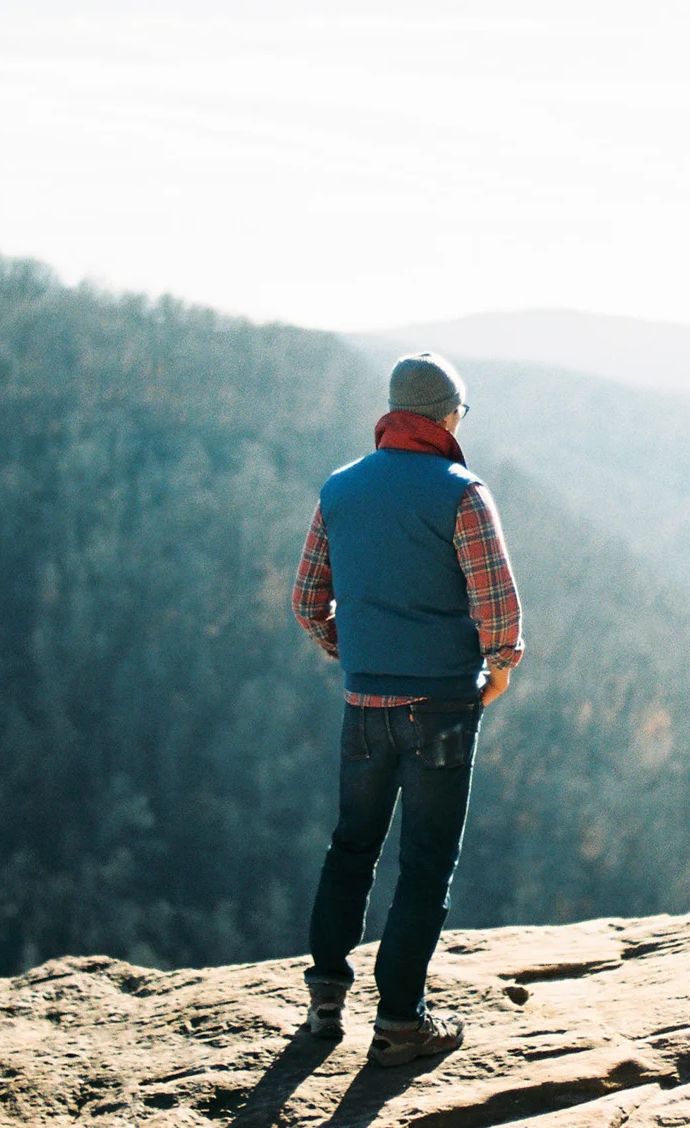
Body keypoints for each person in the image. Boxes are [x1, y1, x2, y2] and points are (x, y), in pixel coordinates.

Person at [290, 352, 525, 1067]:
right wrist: (499, 670)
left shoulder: (340, 488)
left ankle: (325, 999)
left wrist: (348, 649)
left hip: (365, 704)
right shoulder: (462, 493)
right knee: (425, 863)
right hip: (444, 707)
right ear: (448, 415)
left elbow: (307, 600)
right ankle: (399, 1021)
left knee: (351, 846)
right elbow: (499, 609)